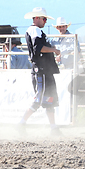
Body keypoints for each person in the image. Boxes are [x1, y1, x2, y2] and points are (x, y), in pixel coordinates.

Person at [18, 7, 62, 136]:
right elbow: (38, 48)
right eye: (44, 19)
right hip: (41, 70)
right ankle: (21, 123)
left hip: (44, 69)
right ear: (37, 18)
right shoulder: (34, 30)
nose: (45, 21)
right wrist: (53, 50)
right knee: (40, 98)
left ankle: (53, 128)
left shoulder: (35, 30)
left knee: (49, 98)